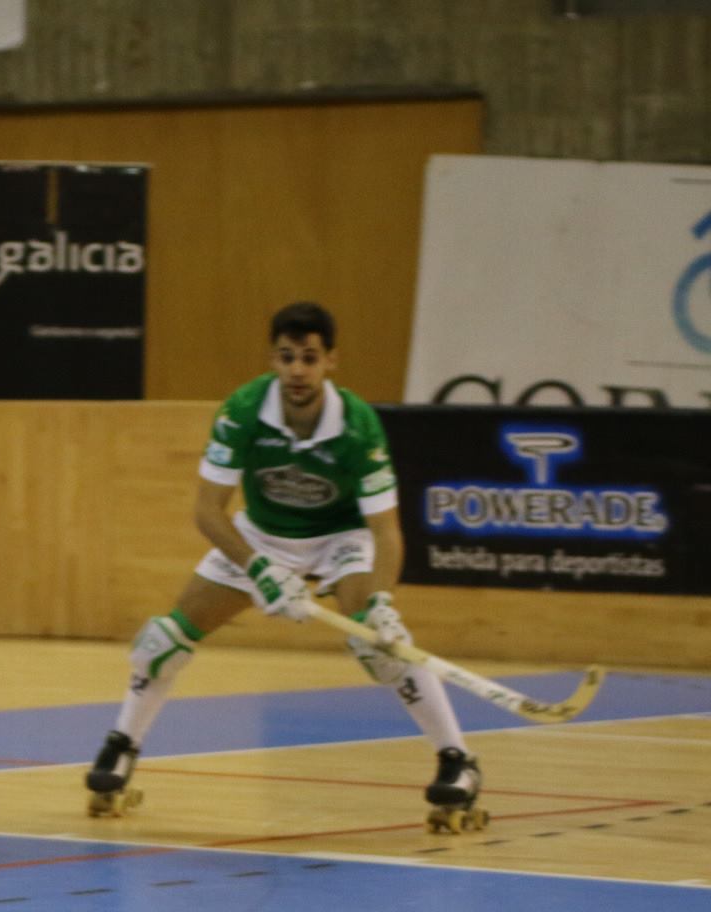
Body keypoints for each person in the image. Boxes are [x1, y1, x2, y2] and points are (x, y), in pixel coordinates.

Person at [85, 301, 483, 828]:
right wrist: (260, 570)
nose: (297, 370)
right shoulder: (243, 411)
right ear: (273, 359)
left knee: (381, 644)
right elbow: (207, 511)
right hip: (263, 536)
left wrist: (382, 600)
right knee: (162, 644)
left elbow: (386, 530)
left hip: (339, 537)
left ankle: (458, 760)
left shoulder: (358, 427)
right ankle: (121, 746)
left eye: (309, 358)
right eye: (287, 357)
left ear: (331, 361)